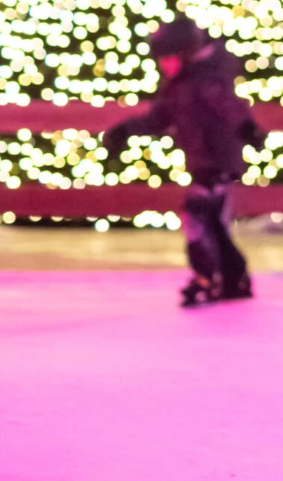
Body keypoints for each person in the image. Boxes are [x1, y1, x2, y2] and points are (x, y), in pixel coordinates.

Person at [103, 15, 266, 306]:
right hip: (202, 162)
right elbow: (158, 118)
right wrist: (125, 130)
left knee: (197, 214)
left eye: (169, 58)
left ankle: (206, 277)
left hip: (217, 162)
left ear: (187, 54)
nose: (165, 65)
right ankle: (233, 278)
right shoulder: (177, 86)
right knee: (214, 223)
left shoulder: (208, 81)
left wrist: (247, 130)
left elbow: (230, 106)